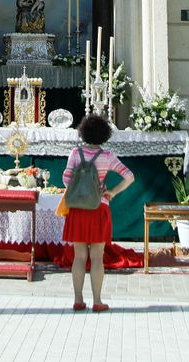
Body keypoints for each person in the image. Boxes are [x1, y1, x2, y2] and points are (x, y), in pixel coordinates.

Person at [61, 112, 134, 313]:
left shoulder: (75, 154)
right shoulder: (108, 157)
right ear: (105, 134)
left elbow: (66, 179)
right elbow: (129, 177)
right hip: (98, 207)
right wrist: (111, 192)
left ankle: (77, 299)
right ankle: (98, 300)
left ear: (83, 132)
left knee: (79, 257)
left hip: (78, 208)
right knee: (97, 257)